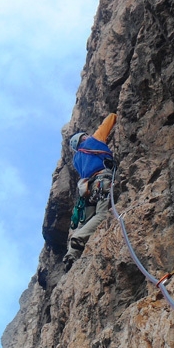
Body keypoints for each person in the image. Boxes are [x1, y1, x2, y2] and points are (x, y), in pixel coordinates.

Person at [63, 113, 117, 269]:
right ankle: (79, 237)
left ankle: (71, 255)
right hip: (102, 182)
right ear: (84, 138)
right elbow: (111, 118)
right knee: (102, 215)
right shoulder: (94, 140)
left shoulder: (77, 159)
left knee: (85, 221)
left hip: (88, 189)